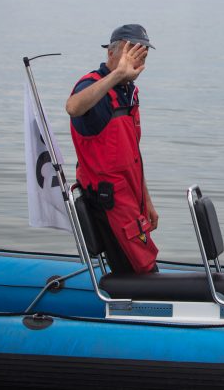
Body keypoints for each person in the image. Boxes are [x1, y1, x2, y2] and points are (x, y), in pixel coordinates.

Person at [66, 24, 159, 274]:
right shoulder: (92, 87)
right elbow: (73, 107)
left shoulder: (128, 92)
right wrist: (118, 74)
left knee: (146, 264)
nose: (137, 64)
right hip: (110, 204)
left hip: (133, 200)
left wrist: (146, 199)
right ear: (111, 53)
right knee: (141, 271)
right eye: (132, 55)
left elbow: (132, 156)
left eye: (142, 58)